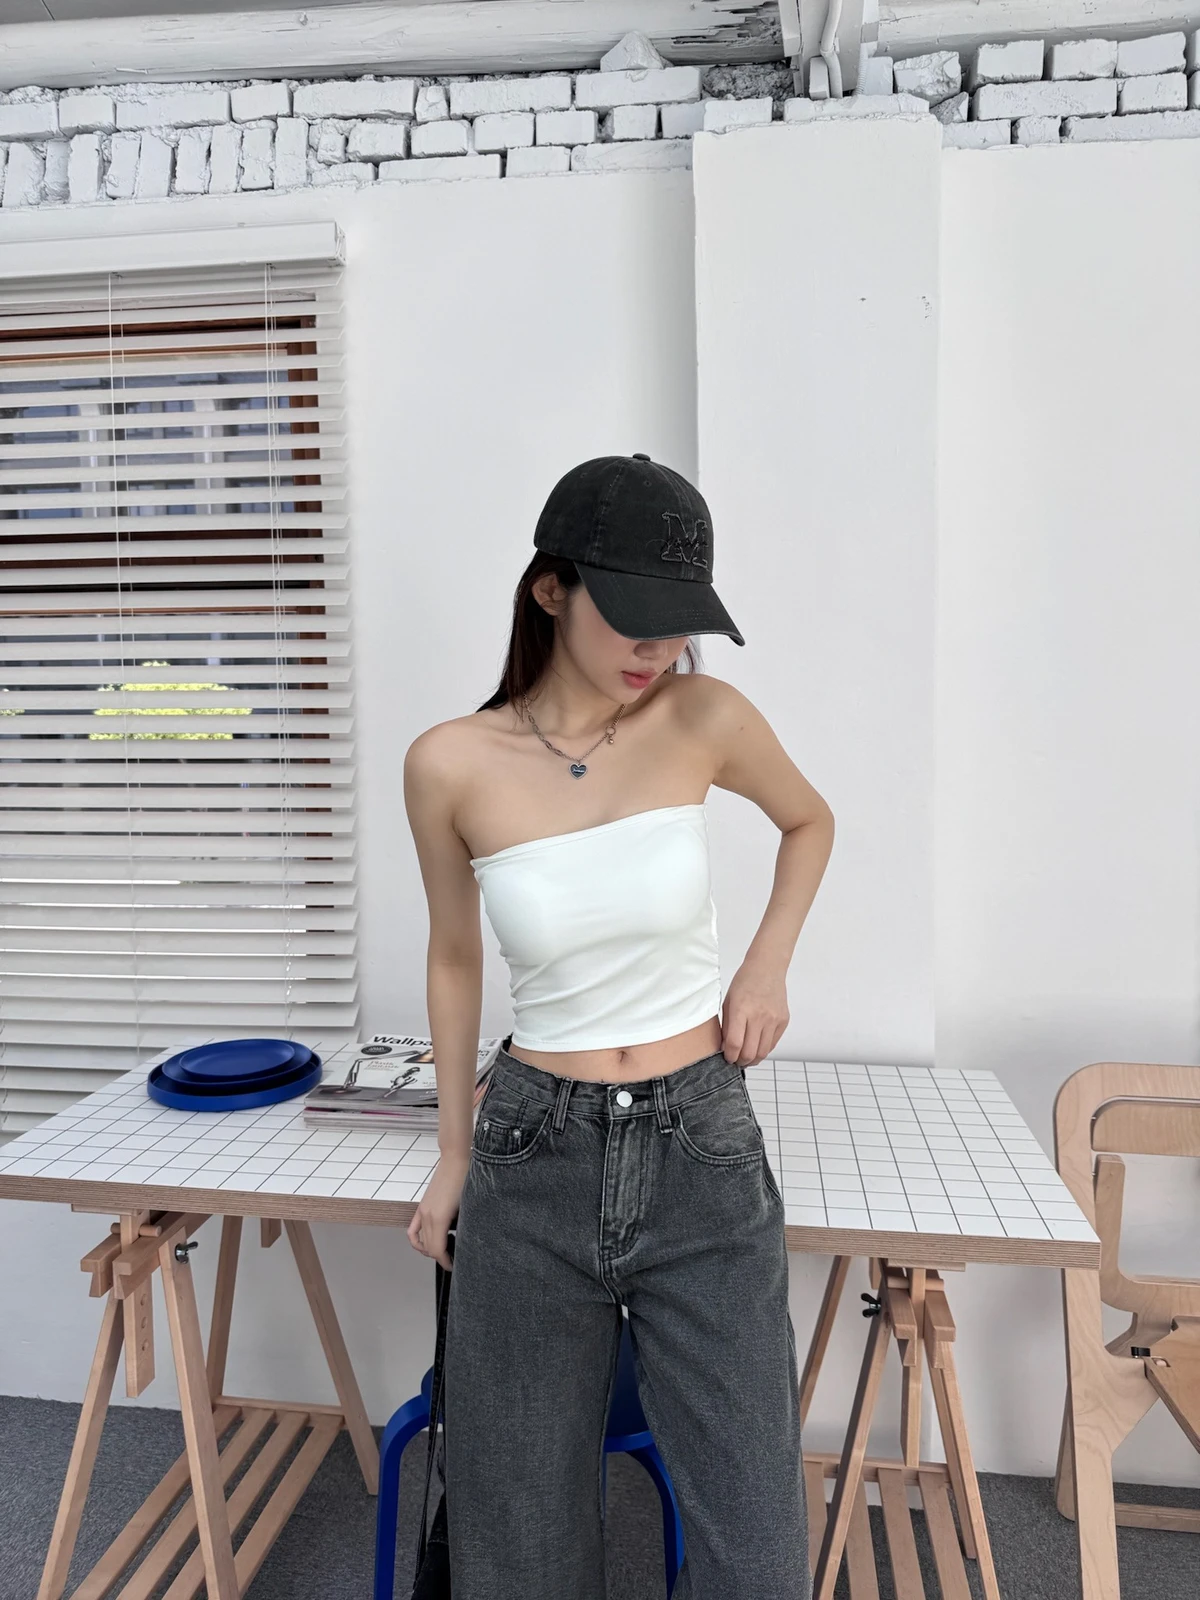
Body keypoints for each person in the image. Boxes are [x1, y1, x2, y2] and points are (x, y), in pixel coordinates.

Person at [402, 453, 835, 1599]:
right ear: (551, 589)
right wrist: (452, 1154)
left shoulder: (704, 717)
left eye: (678, 620)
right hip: (533, 1150)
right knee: (521, 1541)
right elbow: (453, 957)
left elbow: (810, 821)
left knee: (756, 1542)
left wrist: (766, 968)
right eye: (631, 614)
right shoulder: (450, 762)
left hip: (701, 1144)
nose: (658, 647)